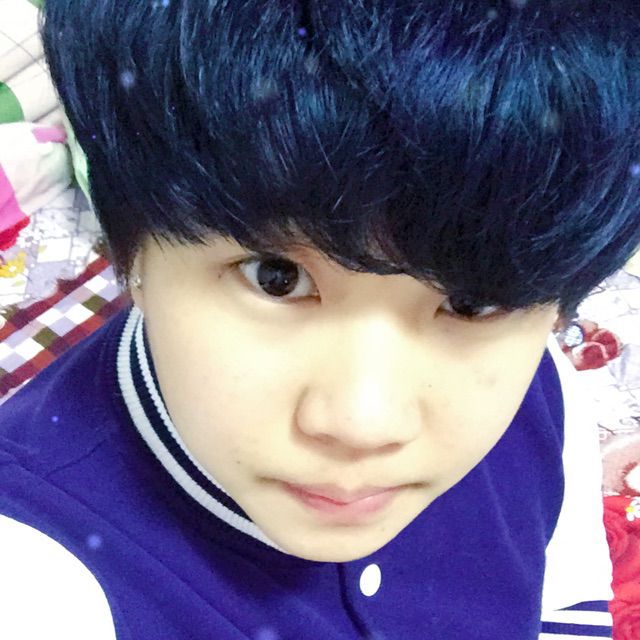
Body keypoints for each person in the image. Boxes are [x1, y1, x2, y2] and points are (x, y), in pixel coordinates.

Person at [1, 0, 636, 637]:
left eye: (473, 302)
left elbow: (566, 600)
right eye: (275, 277)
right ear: (129, 251)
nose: (364, 423)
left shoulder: (540, 378)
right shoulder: (38, 574)